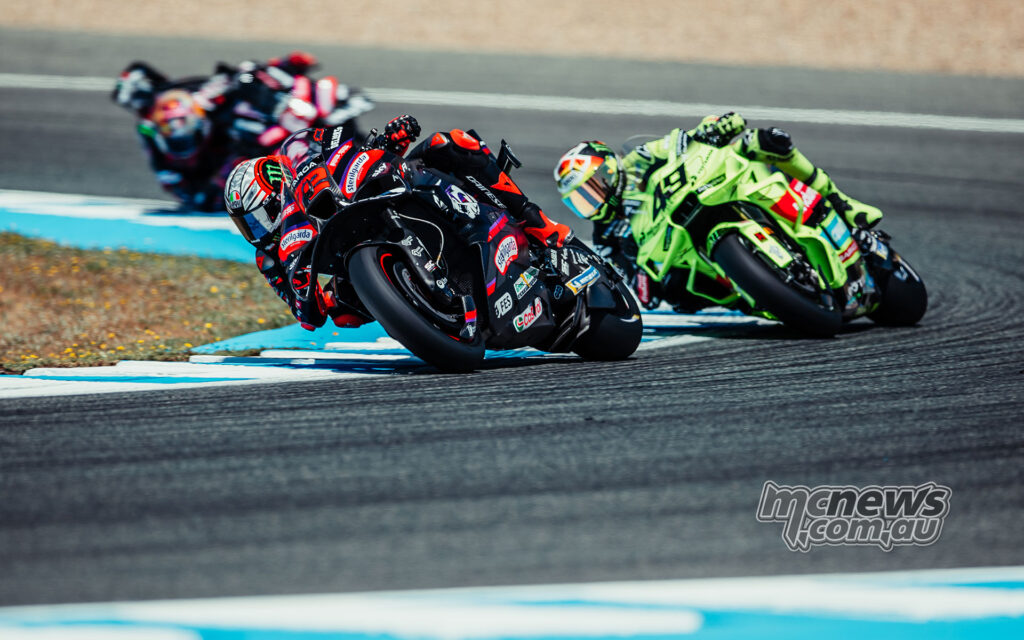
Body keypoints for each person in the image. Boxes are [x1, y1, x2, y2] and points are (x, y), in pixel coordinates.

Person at [224, 115, 576, 331]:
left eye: (259, 217)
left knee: (448, 143)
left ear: (276, 188)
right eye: (247, 226)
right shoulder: (269, 258)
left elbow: (346, 147)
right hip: (347, 259)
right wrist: (313, 293)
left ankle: (538, 225)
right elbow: (306, 316)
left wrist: (390, 141)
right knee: (342, 311)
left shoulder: (297, 161)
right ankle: (426, 311)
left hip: (370, 195)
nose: (256, 230)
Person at [553, 112, 884, 307]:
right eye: (581, 199)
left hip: (703, 196)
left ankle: (842, 203)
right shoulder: (605, 235)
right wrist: (643, 278)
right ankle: (764, 291)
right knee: (677, 292)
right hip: (688, 263)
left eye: (592, 187)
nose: (592, 200)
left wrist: (711, 128)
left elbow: (680, 142)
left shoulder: (638, 160)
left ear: (609, 169)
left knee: (765, 141)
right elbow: (633, 288)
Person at [112, 52, 373, 211]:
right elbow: (197, 198)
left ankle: (318, 109)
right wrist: (229, 172)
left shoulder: (200, 101)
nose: (186, 146)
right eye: (179, 142)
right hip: (243, 173)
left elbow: (239, 74)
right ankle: (319, 160)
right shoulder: (160, 154)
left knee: (250, 84)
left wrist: (278, 69)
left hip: (257, 133)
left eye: (191, 137)